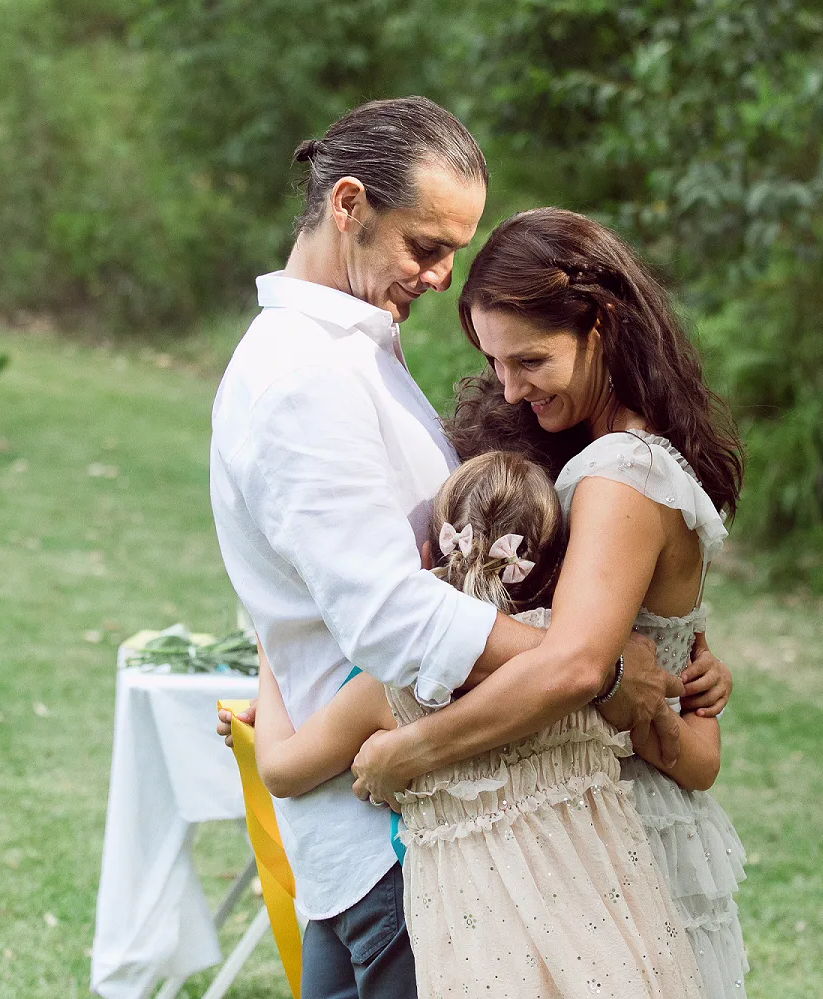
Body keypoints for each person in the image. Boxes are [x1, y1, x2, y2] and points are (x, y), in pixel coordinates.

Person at [209, 99, 713, 999]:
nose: (443, 275)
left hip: (414, 819)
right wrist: (590, 664)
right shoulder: (303, 377)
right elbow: (393, 619)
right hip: (393, 842)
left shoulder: (354, 351)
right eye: (427, 245)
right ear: (349, 205)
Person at [349, 207, 752, 997]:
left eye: (529, 359)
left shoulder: (618, 474)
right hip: (575, 814)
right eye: (495, 363)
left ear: (601, 325)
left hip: (612, 830)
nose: (510, 386)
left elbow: (575, 665)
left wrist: (410, 753)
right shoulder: (613, 459)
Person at [252, 450, 710, 997]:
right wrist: (701, 685)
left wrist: (271, 651)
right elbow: (690, 756)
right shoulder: (585, 673)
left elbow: (281, 770)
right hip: (603, 927)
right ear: (562, 571)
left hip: (478, 945)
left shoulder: (394, 690)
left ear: (426, 557)